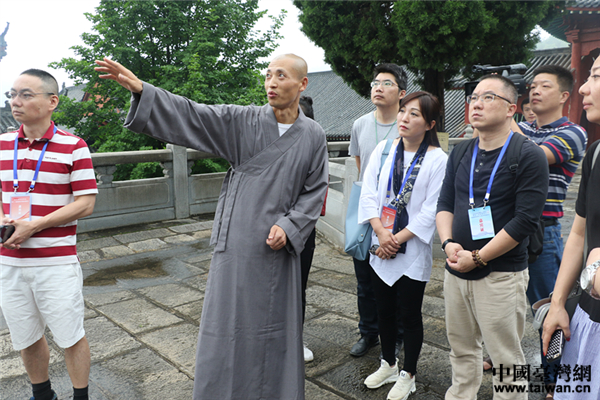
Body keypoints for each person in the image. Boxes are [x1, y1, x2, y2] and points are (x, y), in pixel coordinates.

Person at [94, 54, 329, 400]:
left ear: (302, 84)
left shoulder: (313, 135)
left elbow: (314, 190)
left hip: (280, 246)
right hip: (239, 241)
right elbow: (195, 114)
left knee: (275, 325)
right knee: (229, 324)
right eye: (268, 75)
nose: (272, 83)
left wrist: (292, 225)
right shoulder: (242, 120)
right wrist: (144, 91)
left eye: (281, 75)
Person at [436, 74, 548, 399]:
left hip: (500, 275)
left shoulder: (528, 155)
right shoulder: (461, 152)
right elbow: (445, 203)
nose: (476, 104)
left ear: (511, 108)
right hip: (456, 268)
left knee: (505, 359)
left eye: (488, 97)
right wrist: (447, 243)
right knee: (460, 348)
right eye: (473, 97)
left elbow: (524, 221)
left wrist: (479, 257)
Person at [0, 69, 98, 400]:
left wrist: (35, 225)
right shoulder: (1, 144)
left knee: (70, 335)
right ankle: (42, 394)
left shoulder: (74, 146)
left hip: (55, 261)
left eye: (26, 94)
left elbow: (86, 203)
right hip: (10, 262)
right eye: (13, 94)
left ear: (52, 101)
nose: (16, 101)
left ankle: (80, 396)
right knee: (25, 335)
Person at [359, 91, 447, 400]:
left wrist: (396, 238)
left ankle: (408, 373)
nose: (404, 119)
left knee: (409, 315)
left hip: (410, 251)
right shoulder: (385, 149)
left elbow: (431, 209)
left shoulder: (438, 160)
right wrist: (381, 233)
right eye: (403, 112)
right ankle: (387, 362)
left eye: (414, 114)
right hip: (380, 244)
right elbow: (368, 191)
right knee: (383, 310)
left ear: (430, 124)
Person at [514, 65, 587, 394]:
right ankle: (504, 360)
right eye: (532, 85)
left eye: (544, 85)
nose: (535, 90)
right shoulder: (520, 128)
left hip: (543, 233)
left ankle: (554, 380)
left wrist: (501, 126)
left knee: (549, 311)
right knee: (506, 305)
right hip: (508, 230)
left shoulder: (573, 133)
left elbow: (531, 157)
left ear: (564, 96)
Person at [542, 57, 600, 400]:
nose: (583, 88)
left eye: (595, 77)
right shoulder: (595, 155)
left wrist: (593, 269)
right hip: (587, 321)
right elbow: (579, 232)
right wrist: (558, 302)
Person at [348, 63, 407, 357]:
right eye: (375, 82)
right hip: (367, 212)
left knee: (395, 277)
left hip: (397, 211)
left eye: (387, 83)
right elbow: (362, 172)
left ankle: (396, 335)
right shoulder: (360, 124)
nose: (378, 87)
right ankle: (368, 332)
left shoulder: (408, 124)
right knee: (364, 279)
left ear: (402, 93)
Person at [298, 95, 327, 363]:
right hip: (268, 227)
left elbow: (317, 194)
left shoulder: (316, 147)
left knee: (298, 286)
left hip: (303, 230)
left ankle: (296, 337)